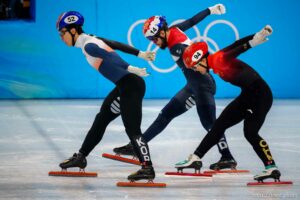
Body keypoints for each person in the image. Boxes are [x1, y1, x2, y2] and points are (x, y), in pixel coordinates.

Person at [113, 4, 237, 170]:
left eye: (154, 38)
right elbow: (192, 21)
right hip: (193, 86)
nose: (154, 43)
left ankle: (227, 156)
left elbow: (204, 60)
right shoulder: (175, 29)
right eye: (151, 40)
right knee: (165, 115)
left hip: (202, 87)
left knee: (210, 124)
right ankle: (136, 146)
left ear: (162, 31)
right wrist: (210, 10)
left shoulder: (178, 47)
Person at [56, 11, 158, 181]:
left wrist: (129, 67)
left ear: (73, 31)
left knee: (132, 129)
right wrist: (139, 53)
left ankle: (147, 168)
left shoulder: (89, 45)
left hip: (131, 85)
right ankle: (81, 157)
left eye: (62, 33)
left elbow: (111, 55)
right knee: (101, 119)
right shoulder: (89, 39)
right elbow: (114, 44)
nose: (61, 37)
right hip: (124, 86)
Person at [176, 25, 281, 181]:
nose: (196, 70)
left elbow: (237, 50)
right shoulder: (214, 58)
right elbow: (236, 44)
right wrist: (257, 34)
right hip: (252, 93)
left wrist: (252, 43)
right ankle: (196, 157)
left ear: (201, 60)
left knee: (246, 131)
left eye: (195, 66)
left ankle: (271, 166)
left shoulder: (217, 61)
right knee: (224, 126)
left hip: (258, 95)